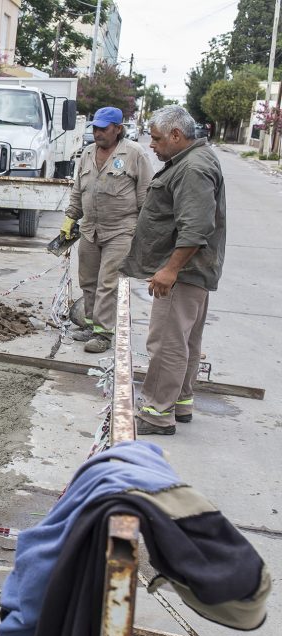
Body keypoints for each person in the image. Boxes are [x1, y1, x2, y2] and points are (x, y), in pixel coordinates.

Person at [121, 105, 226, 436]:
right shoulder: (193, 160)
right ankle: (180, 402)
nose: (151, 145)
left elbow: (196, 227)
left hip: (183, 272)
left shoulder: (192, 168)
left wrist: (170, 270)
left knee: (166, 342)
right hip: (194, 270)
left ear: (176, 135)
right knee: (186, 341)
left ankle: (156, 413)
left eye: (155, 139)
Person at [63, 106, 153, 353]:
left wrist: (145, 234)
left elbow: (146, 196)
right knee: (88, 280)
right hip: (90, 229)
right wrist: (71, 218)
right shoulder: (88, 153)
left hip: (121, 230)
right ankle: (90, 325)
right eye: (95, 128)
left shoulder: (134, 153)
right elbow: (78, 190)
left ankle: (104, 334)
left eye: (104, 128)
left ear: (118, 129)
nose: (98, 133)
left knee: (107, 283)